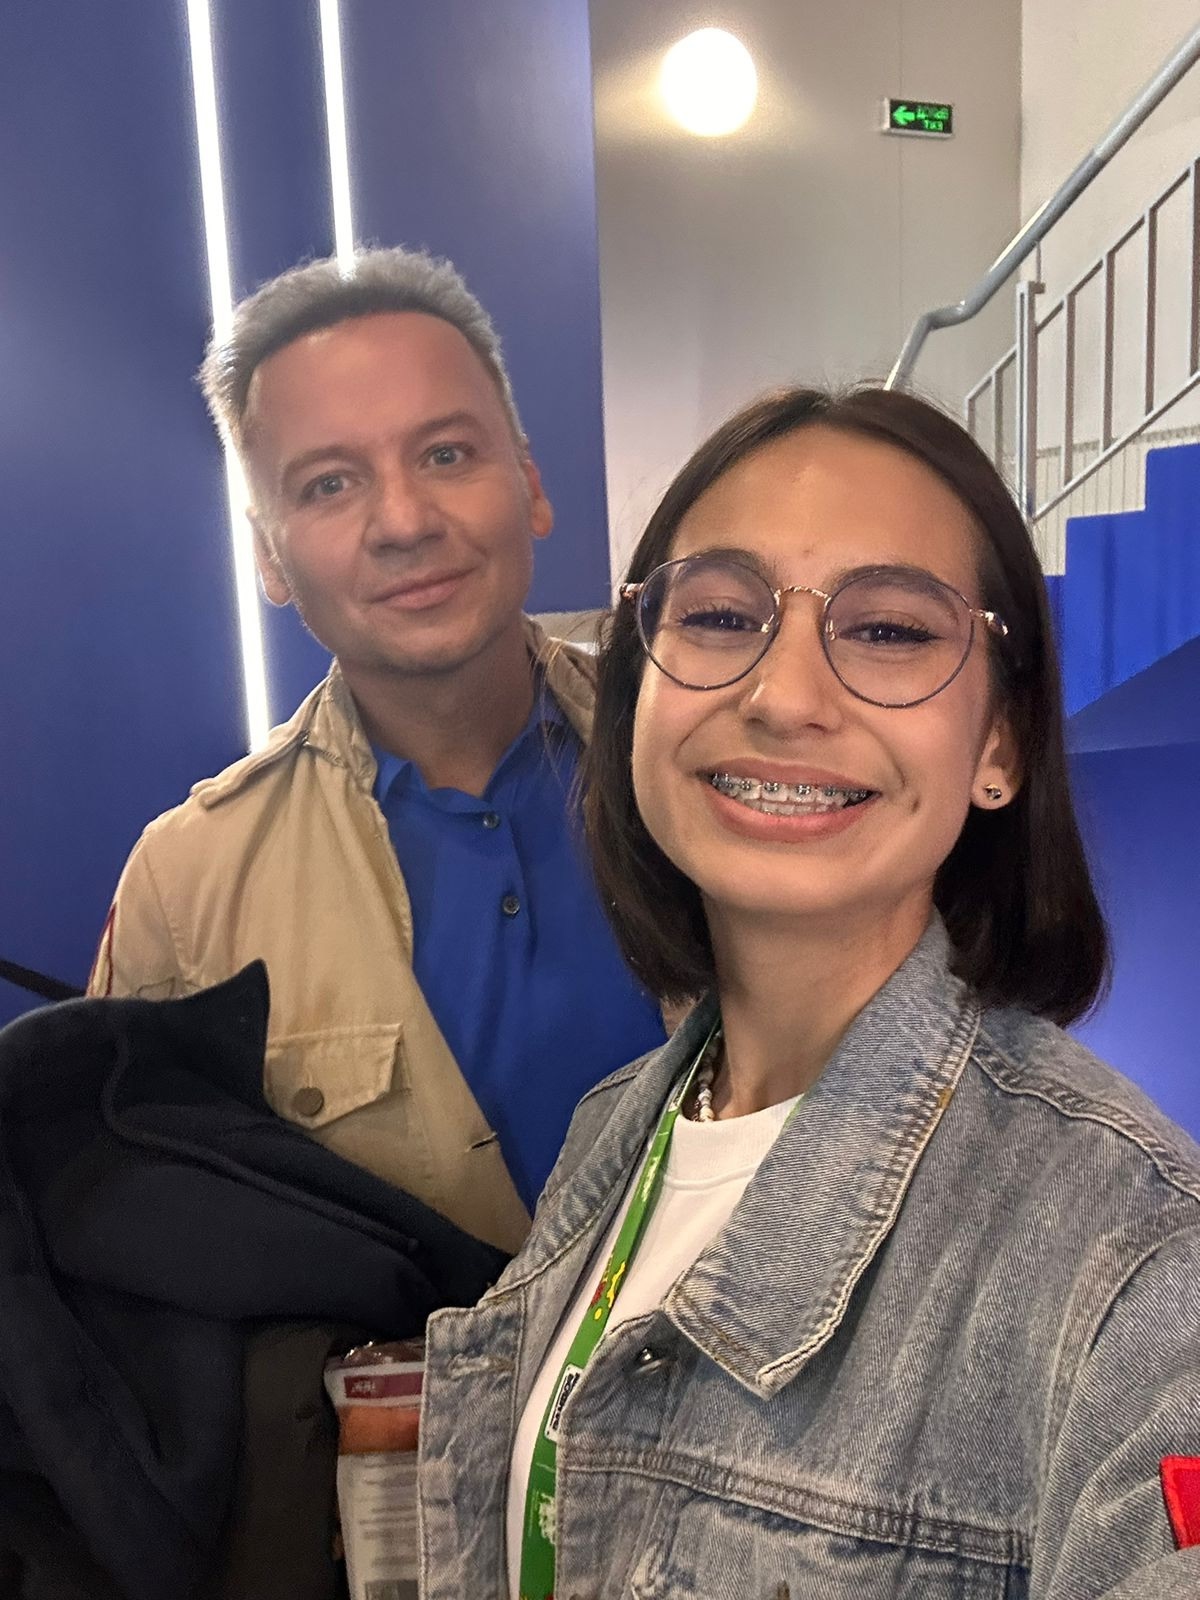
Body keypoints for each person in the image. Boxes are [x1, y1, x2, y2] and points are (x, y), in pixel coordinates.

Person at [417, 386, 1200, 1599]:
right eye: (722, 616)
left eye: (888, 630)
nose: (783, 696)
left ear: (999, 744)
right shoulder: (613, 1130)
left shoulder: (1134, 1260)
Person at [88, 247, 665, 1251]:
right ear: (269, 555)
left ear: (529, 484)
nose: (403, 522)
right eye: (328, 484)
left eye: (446, 455)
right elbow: (141, 1237)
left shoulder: (700, 753)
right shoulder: (188, 888)